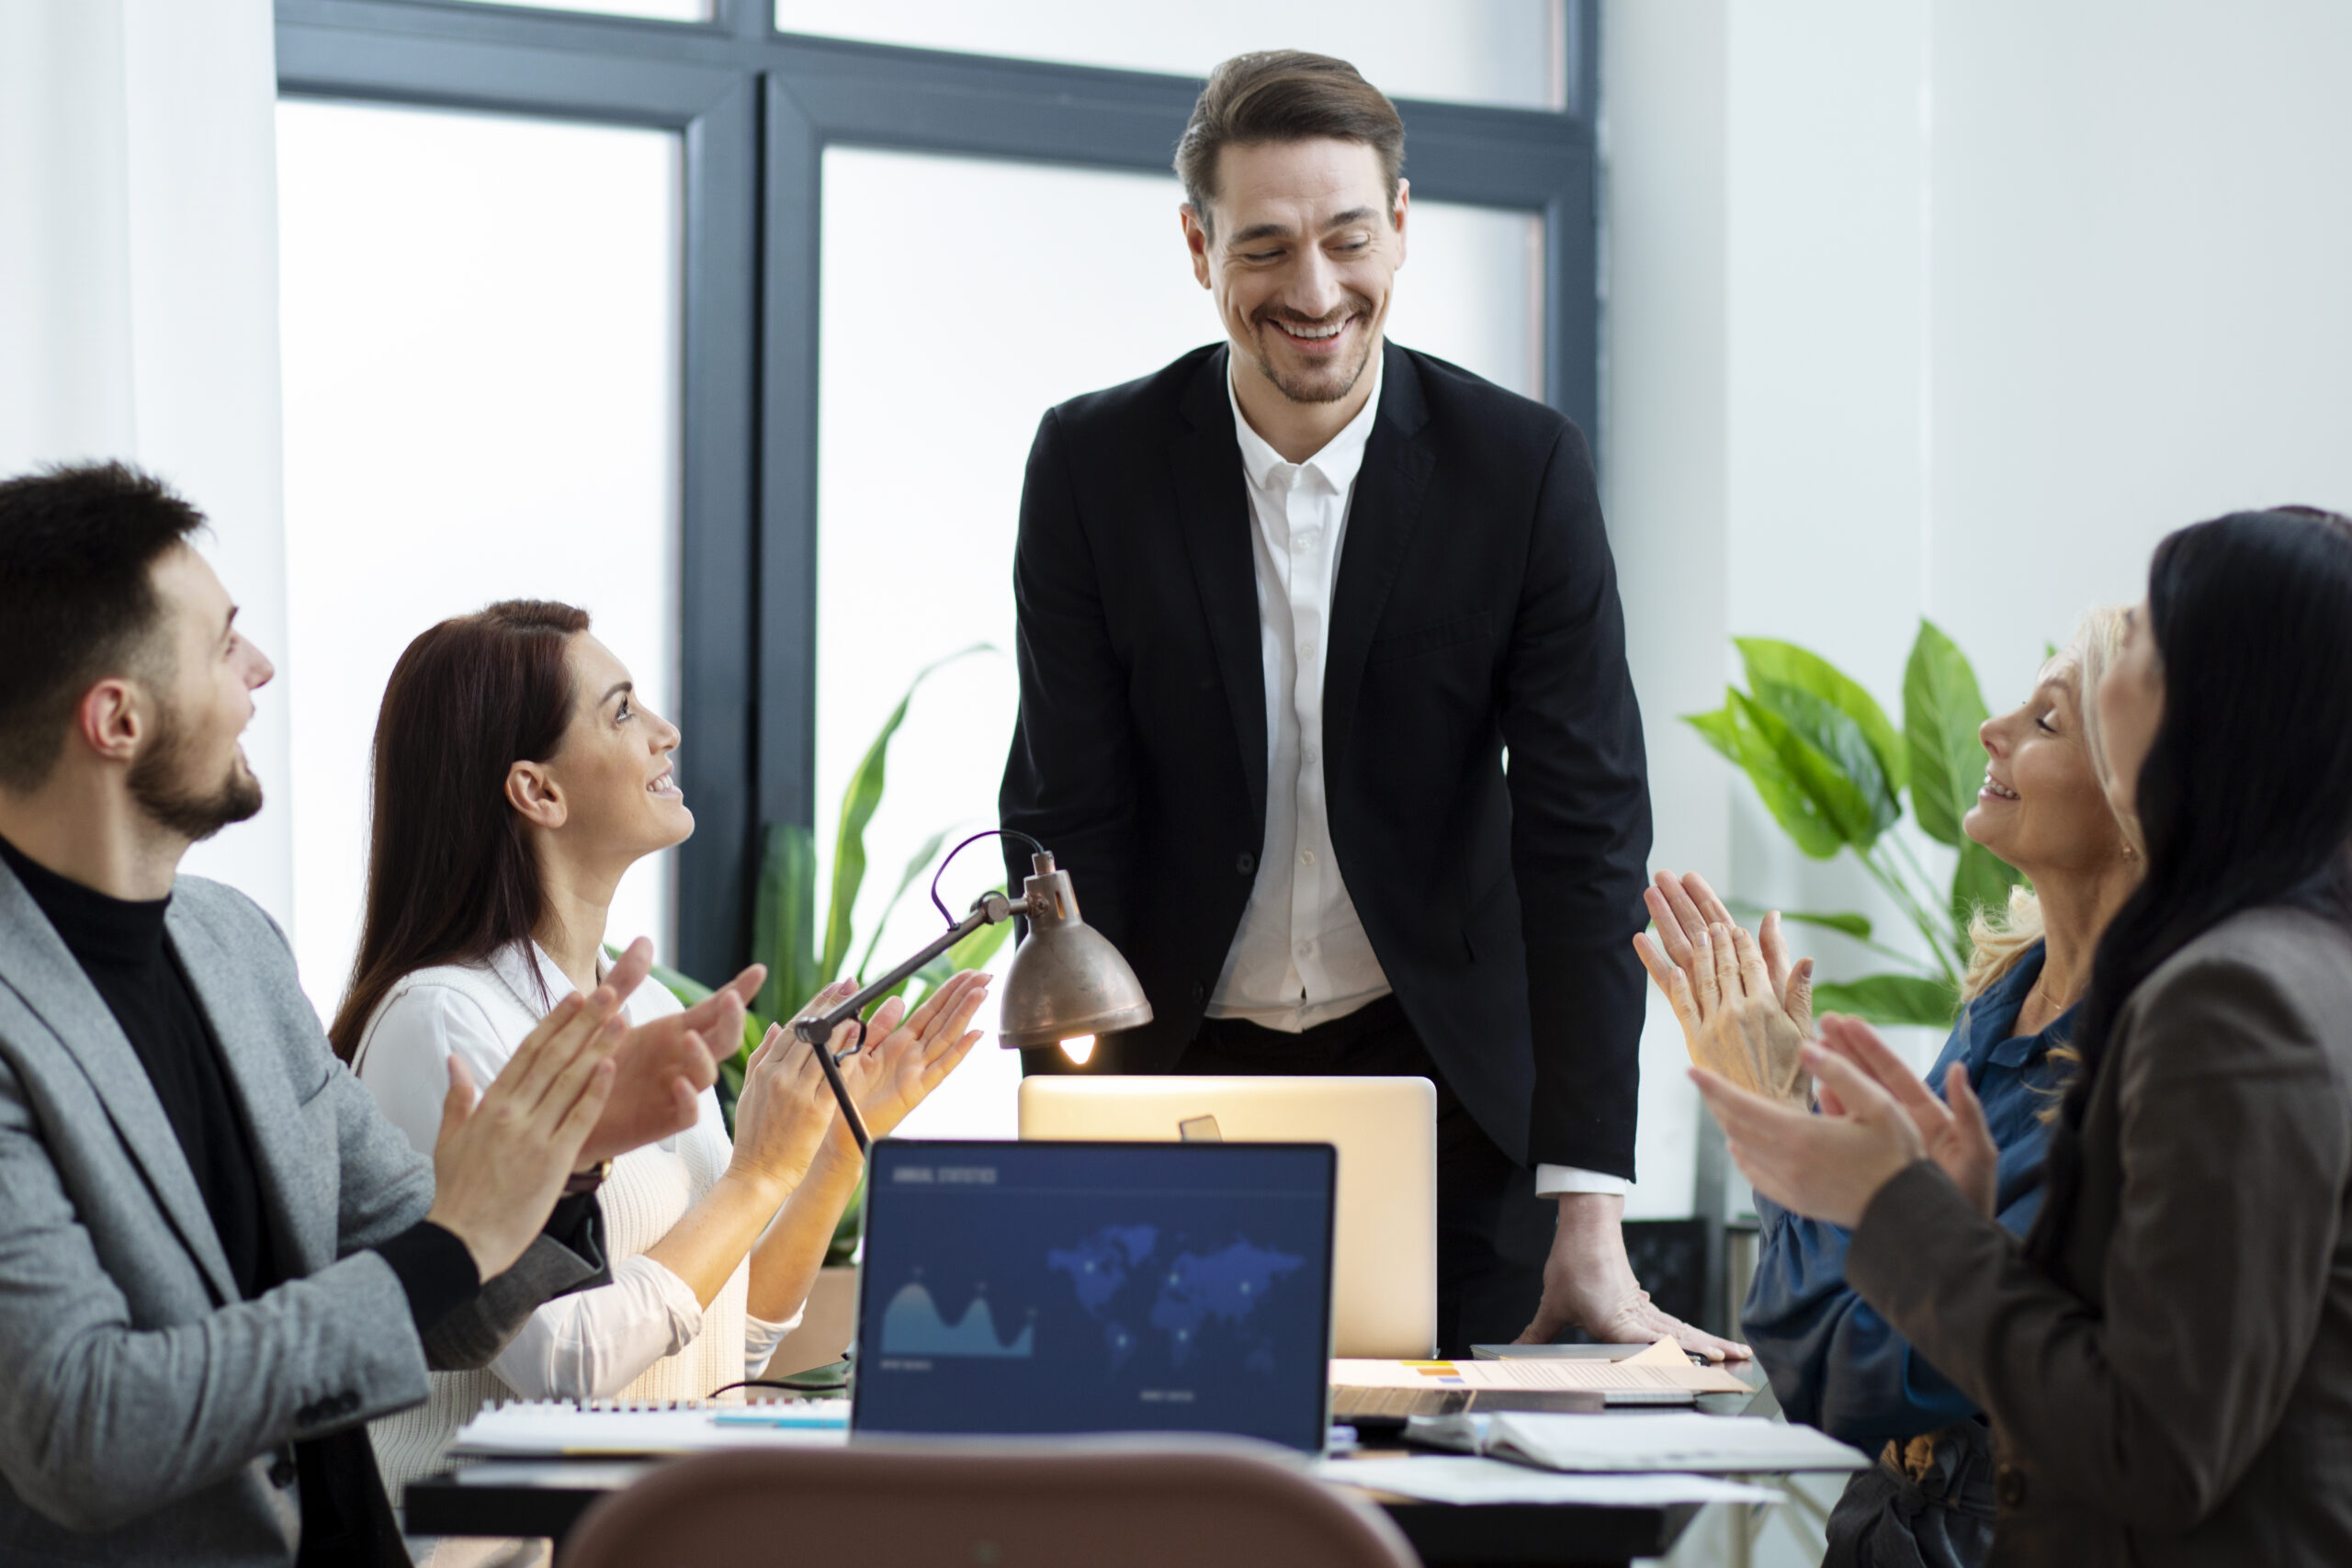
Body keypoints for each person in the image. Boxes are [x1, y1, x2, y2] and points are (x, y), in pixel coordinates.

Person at [995, 49, 1716, 1359]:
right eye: (1264, 247)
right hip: (1179, 1080)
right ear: (1196, 244)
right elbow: (1065, 811)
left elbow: (1583, 837)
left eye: (1347, 237)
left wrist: (1590, 1205)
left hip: (1456, 1093)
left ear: (1401, 226)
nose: (1314, 291)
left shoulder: (1521, 470)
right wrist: (1071, 1137)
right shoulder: (1094, 466)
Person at [0, 462, 752, 1567]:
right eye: (222, 647)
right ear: (117, 719)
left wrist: (564, 1155)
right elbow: (88, 1425)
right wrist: (455, 1239)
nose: (259, 671)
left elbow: (450, 1305)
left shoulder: (236, 948)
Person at [1691, 508, 2352, 1564]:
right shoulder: (2243, 968)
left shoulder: (2234, 1000)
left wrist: (1894, 1206)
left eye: (2138, 639)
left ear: (2216, 705)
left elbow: (2152, 1448)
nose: (1996, 731)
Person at [332, 601, 986, 1553]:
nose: (666, 732)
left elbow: (724, 1343)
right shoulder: (443, 1023)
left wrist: (832, 1146)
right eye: (623, 711)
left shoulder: (629, 1013)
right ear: (537, 790)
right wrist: (754, 1173)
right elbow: (562, 1364)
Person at [1637, 609, 2140, 1567]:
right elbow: (1860, 1301)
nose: (1990, 730)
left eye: (2046, 721)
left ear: (2135, 797)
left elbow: (1872, 1375)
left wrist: (1784, 1121)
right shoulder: (2002, 995)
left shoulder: (2135, 1066)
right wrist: (1788, 1113)